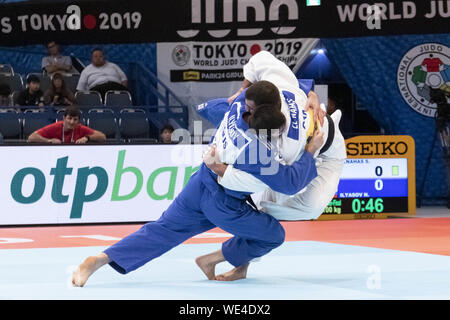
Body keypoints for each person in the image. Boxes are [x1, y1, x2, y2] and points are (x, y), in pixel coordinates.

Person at [71, 82, 325, 287]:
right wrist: (311, 151)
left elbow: (211, 107)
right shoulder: (257, 150)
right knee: (273, 234)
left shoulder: (236, 106)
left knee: (163, 230)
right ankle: (216, 258)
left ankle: (102, 259)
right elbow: (290, 184)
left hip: (201, 181)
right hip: (225, 203)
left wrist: (309, 93)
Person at [196, 50, 347, 281]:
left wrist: (222, 170)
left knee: (310, 208)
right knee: (267, 202)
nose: (247, 111)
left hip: (328, 152)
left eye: (250, 109)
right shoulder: (279, 87)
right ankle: (248, 243)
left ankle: (256, 223)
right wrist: (242, 87)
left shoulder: (286, 144)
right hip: (306, 152)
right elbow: (260, 59)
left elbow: (292, 182)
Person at [27, 106, 106, 144]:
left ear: (78, 121)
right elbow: (31, 137)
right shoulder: (55, 127)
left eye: (75, 119)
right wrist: (49, 141)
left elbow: (102, 137)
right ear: (64, 118)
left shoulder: (80, 128)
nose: (72, 122)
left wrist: (87, 138)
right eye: (69, 118)